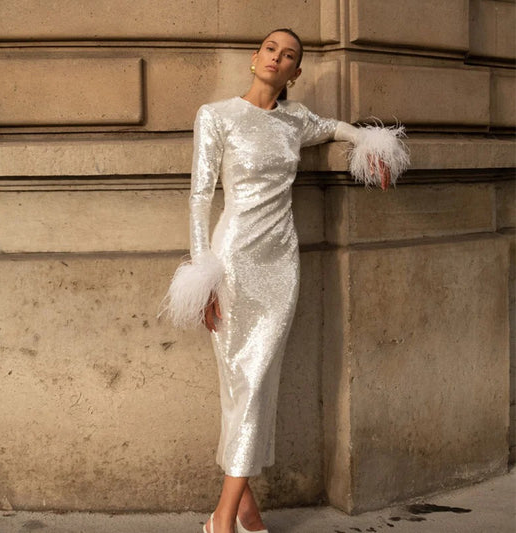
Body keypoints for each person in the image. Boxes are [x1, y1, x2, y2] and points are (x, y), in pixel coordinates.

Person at [161, 28, 409, 533]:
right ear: (255, 59)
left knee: (254, 384)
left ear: (296, 72)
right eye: (271, 49)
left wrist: (373, 145)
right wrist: (203, 273)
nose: (278, 58)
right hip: (231, 264)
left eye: (290, 55)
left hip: (280, 268)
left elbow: (341, 128)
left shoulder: (297, 120)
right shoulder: (217, 116)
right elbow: (198, 196)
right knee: (242, 387)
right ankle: (231, 516)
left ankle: (230, 513)